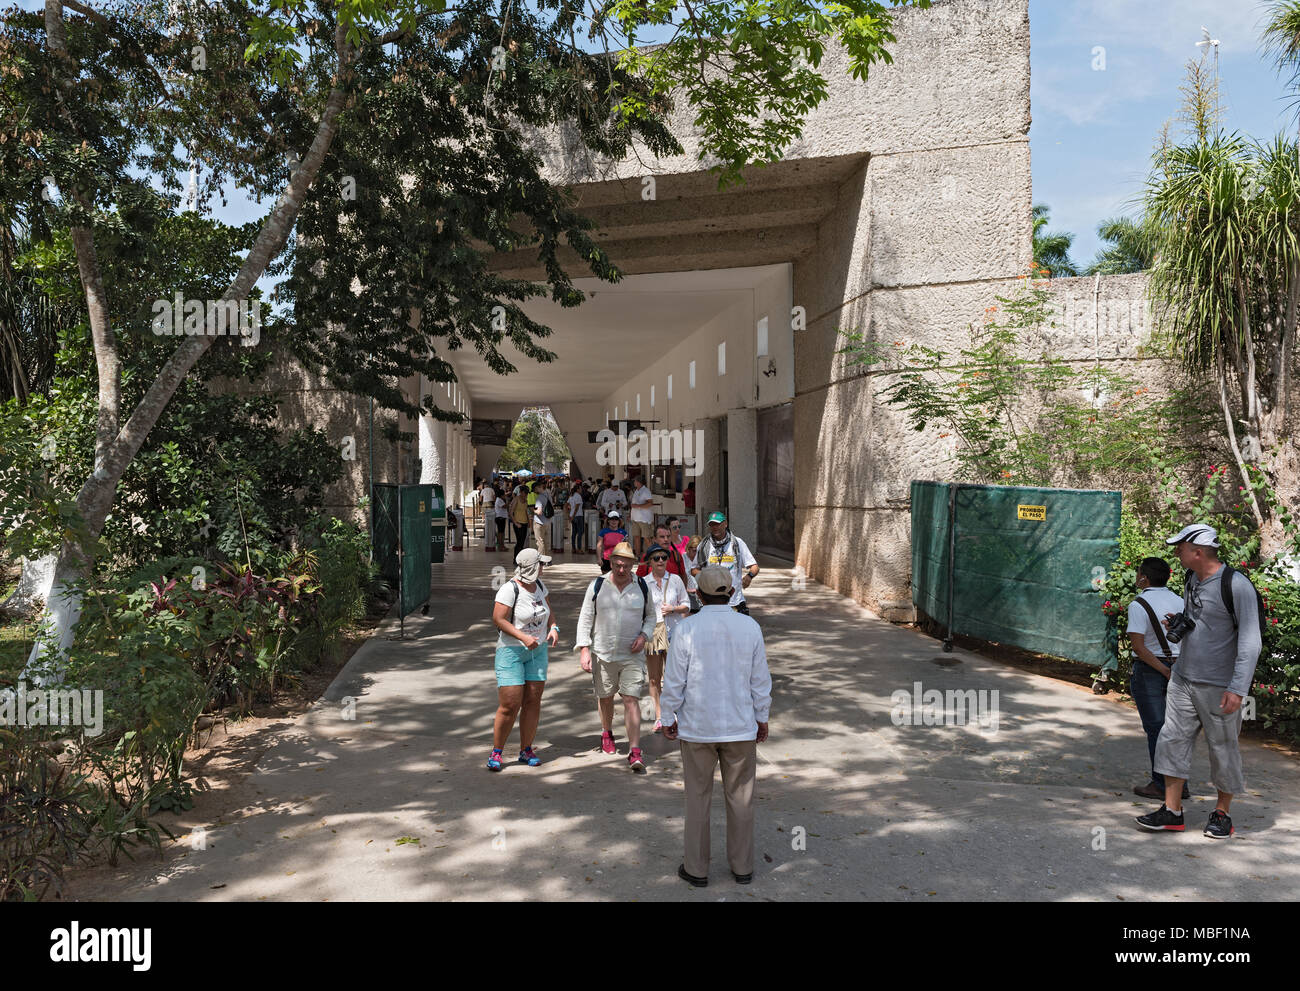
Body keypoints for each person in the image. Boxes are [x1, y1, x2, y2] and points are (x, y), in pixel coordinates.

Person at [1136, 524, 1263, 839]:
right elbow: (1201, 620)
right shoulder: (1191, 579)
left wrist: (1237, 689)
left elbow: (1250, 642)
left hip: (1219, 686)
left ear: (1198, 551)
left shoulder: (1237, 586)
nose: (1176, 552)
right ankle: (1172, 812)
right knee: (1171, 740)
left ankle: (1222, 815)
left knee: (1223, 748)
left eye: (1180, 547)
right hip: (1182, 677)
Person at [662, 565, 772, 886]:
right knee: (742, 799)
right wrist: (761, 717)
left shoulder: (685, 629)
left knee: (697, 798)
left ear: (697, 592)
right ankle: (742, 867)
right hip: (740, 727)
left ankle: (696, 870)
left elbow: (674, 682)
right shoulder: (749, 627)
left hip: (697, 728)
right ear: (732, 592)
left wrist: (668, 717)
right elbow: (760, 681)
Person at [575, 542, 657, 772]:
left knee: (631, 698)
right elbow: (585, 618)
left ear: (633, 565)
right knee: (606, 697)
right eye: (617, 565)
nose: (621, 570)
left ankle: (634, 749)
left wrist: (644, 635)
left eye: (626, 566)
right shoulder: (598, 585)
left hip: (632, 654)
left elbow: (651, 616)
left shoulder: (641, 586)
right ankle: (606, 731)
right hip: (603, 652)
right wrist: (584, 649)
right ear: (610, 563)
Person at [487, 549, 559, 770]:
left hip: (538, 651)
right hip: (512, 652)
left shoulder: (540, 586)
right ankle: (497, 751)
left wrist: (553, 627)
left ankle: (526, 749)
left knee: (533, 701)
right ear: (531, 567)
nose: (543, 568)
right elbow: (498, 619)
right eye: (541, 565)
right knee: (510, 703)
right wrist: (522, 637)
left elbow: (549, 611)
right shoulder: (510, 589)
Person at [1126, 557, 1190, 801]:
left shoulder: (1138, 604)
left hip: (1151, 671)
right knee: (1177, 730)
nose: (1136, 576)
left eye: (1138, 572)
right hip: (1181, 668)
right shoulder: (1180, 601)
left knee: (1157, 729)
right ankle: (1179, 785)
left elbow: (1140, 648)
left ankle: (1161, 784)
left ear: (1144, 577)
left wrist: (1163, 671)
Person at [642, 543, 690, 733]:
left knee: (674, 677)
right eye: (656, 558)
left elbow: (686, 604)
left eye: (664, 557)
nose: (661, 561)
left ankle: (676, 713)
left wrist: (673, 609)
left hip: (674, 634)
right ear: (650, 562)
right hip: (653, 635)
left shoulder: (676, 580)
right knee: (654, 678)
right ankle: (661, 716)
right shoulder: (643, 583)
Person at [691, 510, 760, 615]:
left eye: (718, 524)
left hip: (734, 601)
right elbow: (694, 570)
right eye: (712, 524)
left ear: (725, 524)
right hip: (711, 602)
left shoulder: (737, 543)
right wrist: (705, 576)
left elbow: (754, 567)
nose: (715, 527)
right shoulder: (703, 545)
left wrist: (749, 576)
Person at [629, 476, 655, 557]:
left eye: (635, 481)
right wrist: (630, 514)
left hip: (644, 519)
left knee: (647, 537)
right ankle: (637, 555)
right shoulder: (636, 491)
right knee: (636, 536)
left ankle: (652, 555)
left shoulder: (646, 491)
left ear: (638, 482)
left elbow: (650, 503)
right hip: (635, 518)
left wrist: (638, 506)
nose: (634, 483)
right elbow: (633, 504)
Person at [597, 511, 628, 575]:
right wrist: (599, 558)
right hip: (606, 559)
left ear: (619, 521)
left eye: (616, 519)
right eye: (612, 519)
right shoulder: (603, 532)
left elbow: (626, 547)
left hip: (619, 559)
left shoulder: (624, 533)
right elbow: (599, 545)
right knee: (606, 579)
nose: (614, 521)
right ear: (608, 521)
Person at [509, 485, 530, 558]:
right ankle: (516, 559)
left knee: (522, 542)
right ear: (520, 492)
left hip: (525, 523)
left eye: (527, 493)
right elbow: (511, 512)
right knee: (519, 542)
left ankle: (520, 558)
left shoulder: (526, 501)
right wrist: (516, 523)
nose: (526, 494)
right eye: (525, 492)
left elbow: (526, 512)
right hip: (518, 523)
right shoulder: (516, 499)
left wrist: (529, 523)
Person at [568, 482, 586, 555]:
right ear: (578, 489)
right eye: (580, 488)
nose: (581, 490)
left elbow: (567, 505)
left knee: (574, 532)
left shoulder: (571, 496)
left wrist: (569, 515)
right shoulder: (578, 496)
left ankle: (573, 548)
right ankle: (579, 548)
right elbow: (577, 507)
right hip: (578, 516)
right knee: (580, 532)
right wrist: (573, 515)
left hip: (572, 515)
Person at [482, 479, 498, 551]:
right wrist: (494, 502)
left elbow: (481, 497)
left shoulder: (483, 490)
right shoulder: (491, 489)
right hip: (490, 502)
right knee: (490, 513)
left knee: (483, 512)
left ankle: (484, 520)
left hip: (484, 502)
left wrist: (480, 502)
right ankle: (490, 521)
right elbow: (494, 496)